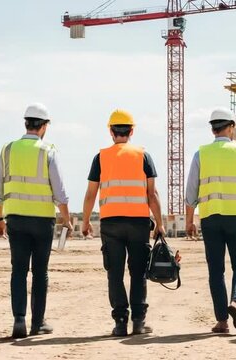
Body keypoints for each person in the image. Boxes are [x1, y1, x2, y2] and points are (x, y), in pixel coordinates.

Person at [0, 103, 73, 339]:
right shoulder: (48, 151)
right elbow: (60, 192)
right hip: (42, 221)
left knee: (18, 270)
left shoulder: (8, 150)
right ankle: (37, 323)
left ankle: (19, 320)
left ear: (26, 123)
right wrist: (66, 220)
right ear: (44, 127)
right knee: (40, 272)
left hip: (15, 218)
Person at [82, 109, 165, 337]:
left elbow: (91, 194)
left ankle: (120, 322)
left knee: (115, 273)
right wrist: (160, 223)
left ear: (110, 131)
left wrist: (86, 221)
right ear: (132, 131)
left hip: (111, 224)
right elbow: (153, 194)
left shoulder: (100, 157)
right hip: (139, 223)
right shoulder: (143, 156)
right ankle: (138, 322)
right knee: (138, 273)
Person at [185, 107, 236, 334]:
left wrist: (189, 221)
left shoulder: (201, 153)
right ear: (231, 127)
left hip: (211, 218)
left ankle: (222, 321)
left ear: (213, 129)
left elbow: (191, 192)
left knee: (216, 270)